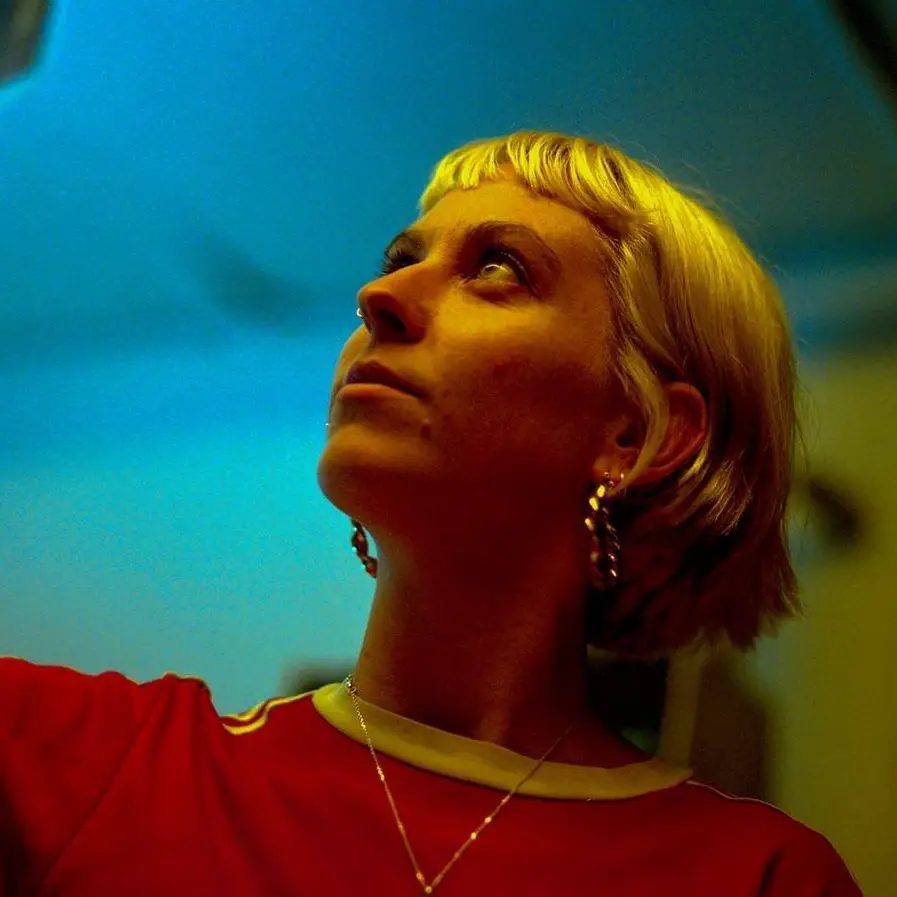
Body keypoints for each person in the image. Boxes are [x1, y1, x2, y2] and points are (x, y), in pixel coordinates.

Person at [0, 130, 861, 896]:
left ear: (634, 434)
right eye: (398, 259)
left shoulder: (759, 877)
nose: (378, 298)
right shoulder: (74, 766)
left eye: (497, 267)